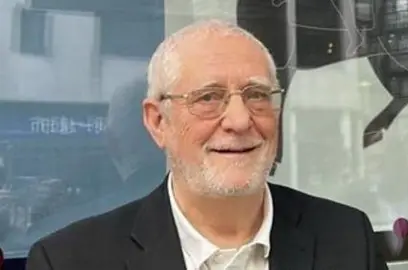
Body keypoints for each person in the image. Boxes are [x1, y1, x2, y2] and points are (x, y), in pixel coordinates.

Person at [25, 19, 388, 270]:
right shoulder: (71, 261)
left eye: (257, 95)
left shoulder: (346, 238)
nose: (239, 120)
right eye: (208, 98)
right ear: (157, 122)